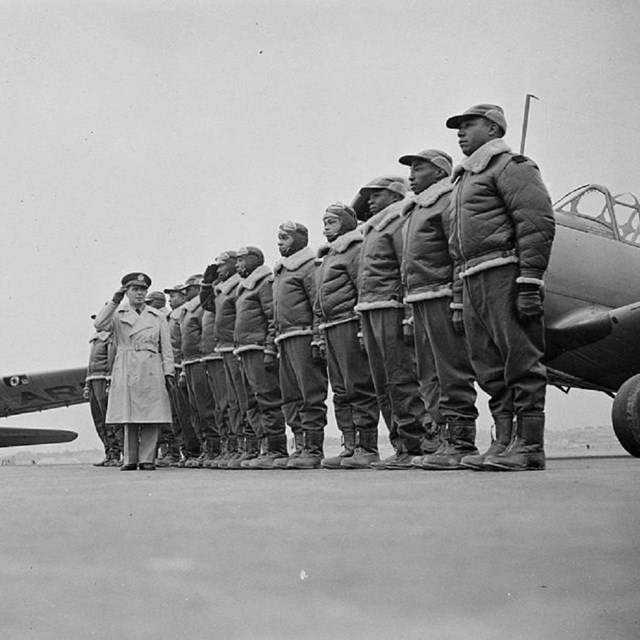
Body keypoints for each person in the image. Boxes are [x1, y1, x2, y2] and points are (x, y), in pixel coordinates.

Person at [445, 103, 556, 471]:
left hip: (504, 273)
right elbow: (457, 250)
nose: (460, 132)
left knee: (521, 359)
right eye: (458, 127)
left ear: (493, 129)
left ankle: (529, 446)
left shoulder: (512, 167)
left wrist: (528, 282)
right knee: (488, 367)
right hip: (473, 279)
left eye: (468, 125)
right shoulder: (463, 181)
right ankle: (505, 441)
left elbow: (536, 223)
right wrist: (460, 298)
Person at [398, 149, 480, 469]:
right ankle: (443, 440)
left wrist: (459, 299)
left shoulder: (447, 202)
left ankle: (461, 441)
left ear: (438, 172)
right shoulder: (416, 210)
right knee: (428, 375)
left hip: (442, 296)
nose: (411, 175)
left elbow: (459, 253)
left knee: (451, 370)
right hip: (419, 299)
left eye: (419, 168)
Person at [355, 176, 429, 470]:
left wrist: (408, 314)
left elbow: (405, 266)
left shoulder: (399, 222)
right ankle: (399, 444)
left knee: (400, 378)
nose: (370, 200)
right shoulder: (374, 229)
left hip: (391, 306)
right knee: (383, 382)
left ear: (396, 195)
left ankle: (415, 444)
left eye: (378, 194)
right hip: (371, 308)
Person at [315, 203, 380, 469]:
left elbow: (363, 287)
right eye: (324, 222)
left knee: (358, 386)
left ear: (346, 223)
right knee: (340, 391)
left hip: (348, 323)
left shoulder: (354, 249)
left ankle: (367, 447)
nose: (326, 227)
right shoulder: (329, 256)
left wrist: (364, 329)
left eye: (331, 221)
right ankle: (350, 444)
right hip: (330, 327)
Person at [94, 272, 174, 471]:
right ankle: (130, 458)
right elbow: (99, 324)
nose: (140, 293)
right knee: (128, 413)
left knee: (151, 413)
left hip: (151, 365)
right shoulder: (118, 315)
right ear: (126, 292)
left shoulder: (157, 316)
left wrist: (169, 371)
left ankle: (148, 459)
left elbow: (167, 346)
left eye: (143, 290)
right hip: (126, 363)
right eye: (135, 289)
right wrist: (114, 301)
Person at [272, 221, 328, 469]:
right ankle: (301, 445)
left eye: (285, 237)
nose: (279, 242)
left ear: (299, 239)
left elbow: (318, 304)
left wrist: (318, 338)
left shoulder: (308, 267)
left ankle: (314, 449)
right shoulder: (282, 272)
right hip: (284, 339)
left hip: (303, 336)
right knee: (291, 396)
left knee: (310, 394)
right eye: (279, 237)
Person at [200, 251, 262, 469]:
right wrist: (207, 284)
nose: (218, 269)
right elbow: (209, 305)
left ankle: (251, 445)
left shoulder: (238, 286)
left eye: (222, 265)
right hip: (225, 347)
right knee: (234, 401)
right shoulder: (224, 288)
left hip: (236, 347)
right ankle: (240, 446)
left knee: (243, 398)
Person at [234, 246, 288, 469]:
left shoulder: (264, 283)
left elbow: (272, 318)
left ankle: (276, 449)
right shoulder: (245, 287)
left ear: (253, 261)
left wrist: (269, 349)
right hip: (246, 349)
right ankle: (265, 446)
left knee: (267, 399)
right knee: (253, 402)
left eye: (241, 261)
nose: (237, 265)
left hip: (258, 349)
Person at [178, 274, 220, 468]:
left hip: (200, 360)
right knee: (196, 410)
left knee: (206, 407)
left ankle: (213, 449)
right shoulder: (187, 311)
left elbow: (205, 334)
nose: (185, 292)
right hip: (190, 361)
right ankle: (205, 448)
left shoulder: (201, 307)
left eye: (189, 288)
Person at [163, 282, 200, 467]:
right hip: (174, 367)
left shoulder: (182, 314)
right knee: (178, 415)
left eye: (175, 296)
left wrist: (183, 369)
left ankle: (194, 451)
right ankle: (187, 451)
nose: (171, 300)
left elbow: (186, 342)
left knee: (188, 412)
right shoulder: (171, 317)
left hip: (182, 365)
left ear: (184, 297)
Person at [84, 315, 122, 466]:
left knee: (108, 417)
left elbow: (111, 360)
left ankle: (115, 453)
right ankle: (109, 451)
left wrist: (108, 380)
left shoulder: (111, 338)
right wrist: (87, 385)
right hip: (93, 379)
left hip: (102, 379)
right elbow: (90, 364)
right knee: (98, 419)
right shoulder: (96, 340)